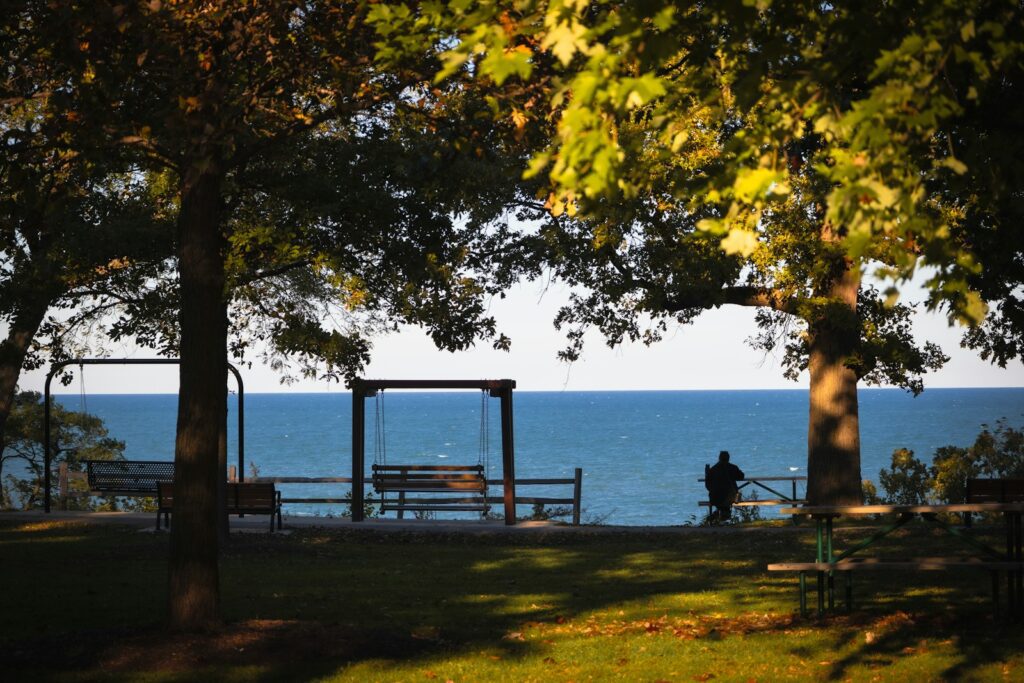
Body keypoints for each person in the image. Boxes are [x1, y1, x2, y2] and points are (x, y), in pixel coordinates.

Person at [705, 450, 745, 522]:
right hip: (729, 497)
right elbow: (741, 476)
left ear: (719, 458)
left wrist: (713, 490)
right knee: (731, 497)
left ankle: (719, 514)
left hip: (714, 498)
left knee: (723, 502)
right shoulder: (733, 468)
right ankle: (723, 515)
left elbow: (707, 485)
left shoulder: (713, 469)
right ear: (728, 458)